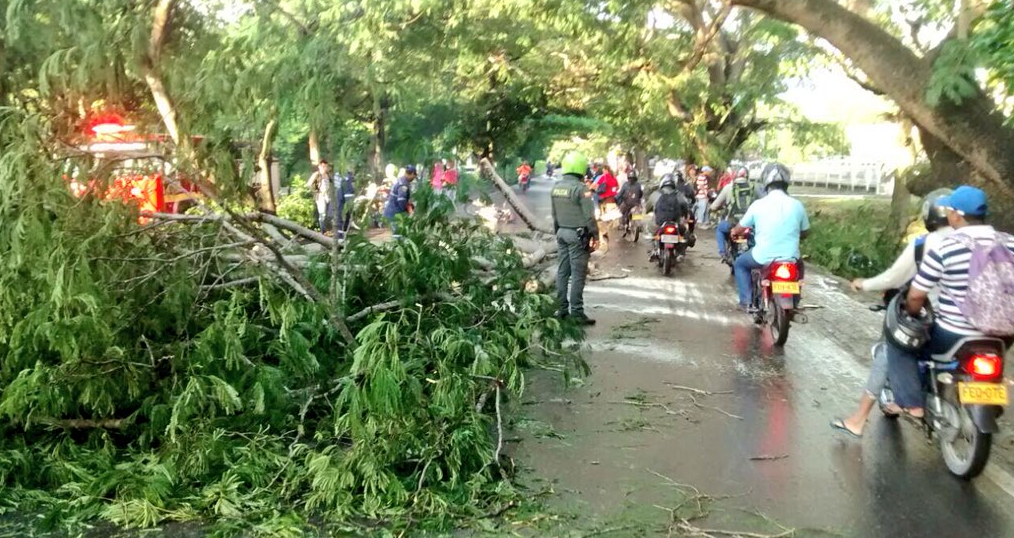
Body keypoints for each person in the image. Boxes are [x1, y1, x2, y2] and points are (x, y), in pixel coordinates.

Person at [829, 190, 954, 438]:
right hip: (985, 327)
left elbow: (894, 278)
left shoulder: (924, 245)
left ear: (929, 216)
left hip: (942, 323)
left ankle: (859, 419)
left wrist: (863, 284)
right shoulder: (980, 243)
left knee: (891, 349)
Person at [885, 186, 1014, 418]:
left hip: (954, 334)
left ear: (956, 215)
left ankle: (912, 403)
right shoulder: (1010, 244)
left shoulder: (947, 247)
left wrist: (912, 314)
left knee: (899, 344)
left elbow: (916, 295)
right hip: (1003, 334)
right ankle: (991, 391)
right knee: (993, 354)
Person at [730, 163, 810, 312]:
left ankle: (746, 301)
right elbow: (805, 232)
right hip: (791, 257)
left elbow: (740, 227)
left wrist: (734, 232)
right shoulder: (797, 205)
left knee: (740, 264)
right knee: (800, 266)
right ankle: (795, 300)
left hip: (762, 256)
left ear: (766, 183)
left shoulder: (758, 205)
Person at [552, 151, 598, 326]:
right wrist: (595, 234)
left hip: (562, 233)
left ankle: (561, 309)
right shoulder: (581, 189)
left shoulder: (556, 187)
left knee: (563, 272)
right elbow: (589, 217)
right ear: (581, 169)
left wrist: (558, 232)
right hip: (577, 236)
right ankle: (577, 312)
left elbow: (554, 215)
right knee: (578, 274)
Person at [711, 167, 755, 259]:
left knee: (719, 229)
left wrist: (713, 208)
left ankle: (723, 253)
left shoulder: (728, 187)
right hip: (750, 224)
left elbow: (714, 206)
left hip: (732, 223)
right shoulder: (753, 187)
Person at [650, 175, 690, 260]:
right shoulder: (679, 195)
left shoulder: (655, 194)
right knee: (685, 234)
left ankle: (654, 249)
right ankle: (680, 253)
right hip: (675, 224)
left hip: (659, 223)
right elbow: (686, 208)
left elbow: (647, 207)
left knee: (651, 232)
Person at [383, 165, 416, 231]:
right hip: (395, 213)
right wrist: (408, 210)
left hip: (392, 211)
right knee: (399, 234)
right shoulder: (403, 185)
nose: (414, 178)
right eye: (414, 175)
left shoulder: (401, 180)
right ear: (412, 174)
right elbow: (402, 201)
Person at [305, 160, 333, 234]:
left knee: (329, 215)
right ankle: (323, 231)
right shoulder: (316, 174)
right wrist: (315, 191)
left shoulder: (328, 175)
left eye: (326, 166)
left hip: (328, 196)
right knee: (322, 214)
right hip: (320, 196)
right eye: (323, 166)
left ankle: (327, 230)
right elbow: (308, 184)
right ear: (319, 166)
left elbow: (331, 183)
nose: (324, 168)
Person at [334, 168, 357, 234]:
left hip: (341, 195)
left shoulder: (349, 177)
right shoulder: (346, 178)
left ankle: (343, 231)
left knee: (342, 212)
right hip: (341, 195)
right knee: (341, 212)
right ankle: (341, 232)